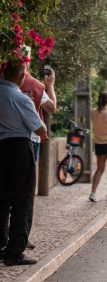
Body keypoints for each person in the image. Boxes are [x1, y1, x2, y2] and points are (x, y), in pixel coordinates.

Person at [0, 61, 48, 266]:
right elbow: (40, 129)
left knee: (1, 200)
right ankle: (15, 251)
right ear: (21, 78)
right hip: (19, 149)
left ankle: (0, 245)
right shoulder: (20, 98)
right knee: (22, 201)